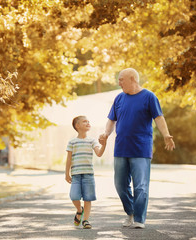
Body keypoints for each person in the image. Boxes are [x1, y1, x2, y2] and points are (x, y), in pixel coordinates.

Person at [99, 68, 175, 229]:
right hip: (121, 148)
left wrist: (166, 135)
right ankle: (130, 212)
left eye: (121, 79)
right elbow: (111, 120)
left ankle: (139, 219)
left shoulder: (149, 96)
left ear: (133, 79)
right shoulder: (119, 98)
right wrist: (106, 133)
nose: (119, 82)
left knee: (140, 185)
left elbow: (159, 118)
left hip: (141, 149)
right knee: (120, 184)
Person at [65, 115, 106, 229]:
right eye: (84, 121)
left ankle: (86, 220)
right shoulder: (72, 142)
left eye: (88, 121)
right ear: (77, 126)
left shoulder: (92, 140)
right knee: (74, 196)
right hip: (76, 175)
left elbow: (99, 153)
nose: (88, 123)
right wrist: (66, 174)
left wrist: (104, 144)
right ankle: (79, 210)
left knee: (88, 198)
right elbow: (68, 159)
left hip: (88, 174)